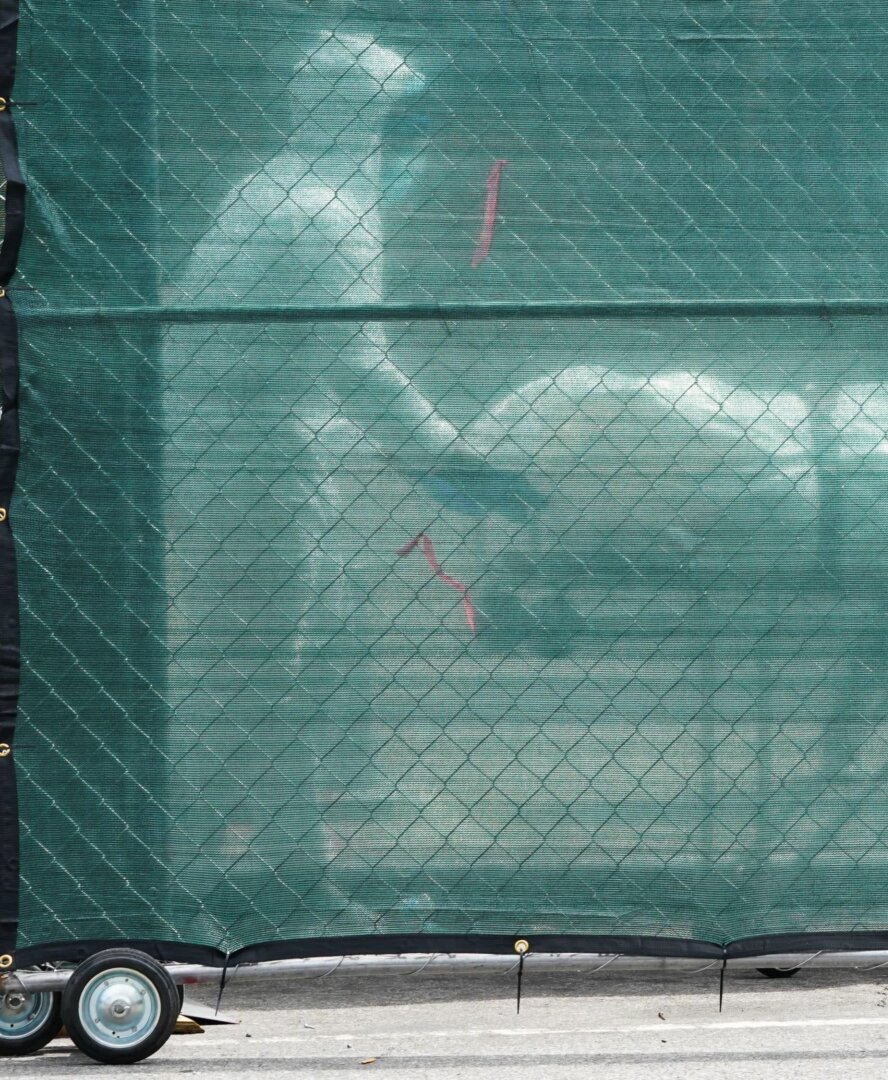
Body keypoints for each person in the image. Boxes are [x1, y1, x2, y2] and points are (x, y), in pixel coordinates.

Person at [159, 30, 528, 943]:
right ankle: (188, 870)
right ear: (368, 123)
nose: (419, 145)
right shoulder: (326, 215)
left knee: (274, 667)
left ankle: (264, 872)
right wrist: (450, 456)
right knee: (254, 675)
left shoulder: (266, 192)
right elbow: (357, 363)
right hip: (250, 465)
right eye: (405, 125)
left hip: (238, 453)